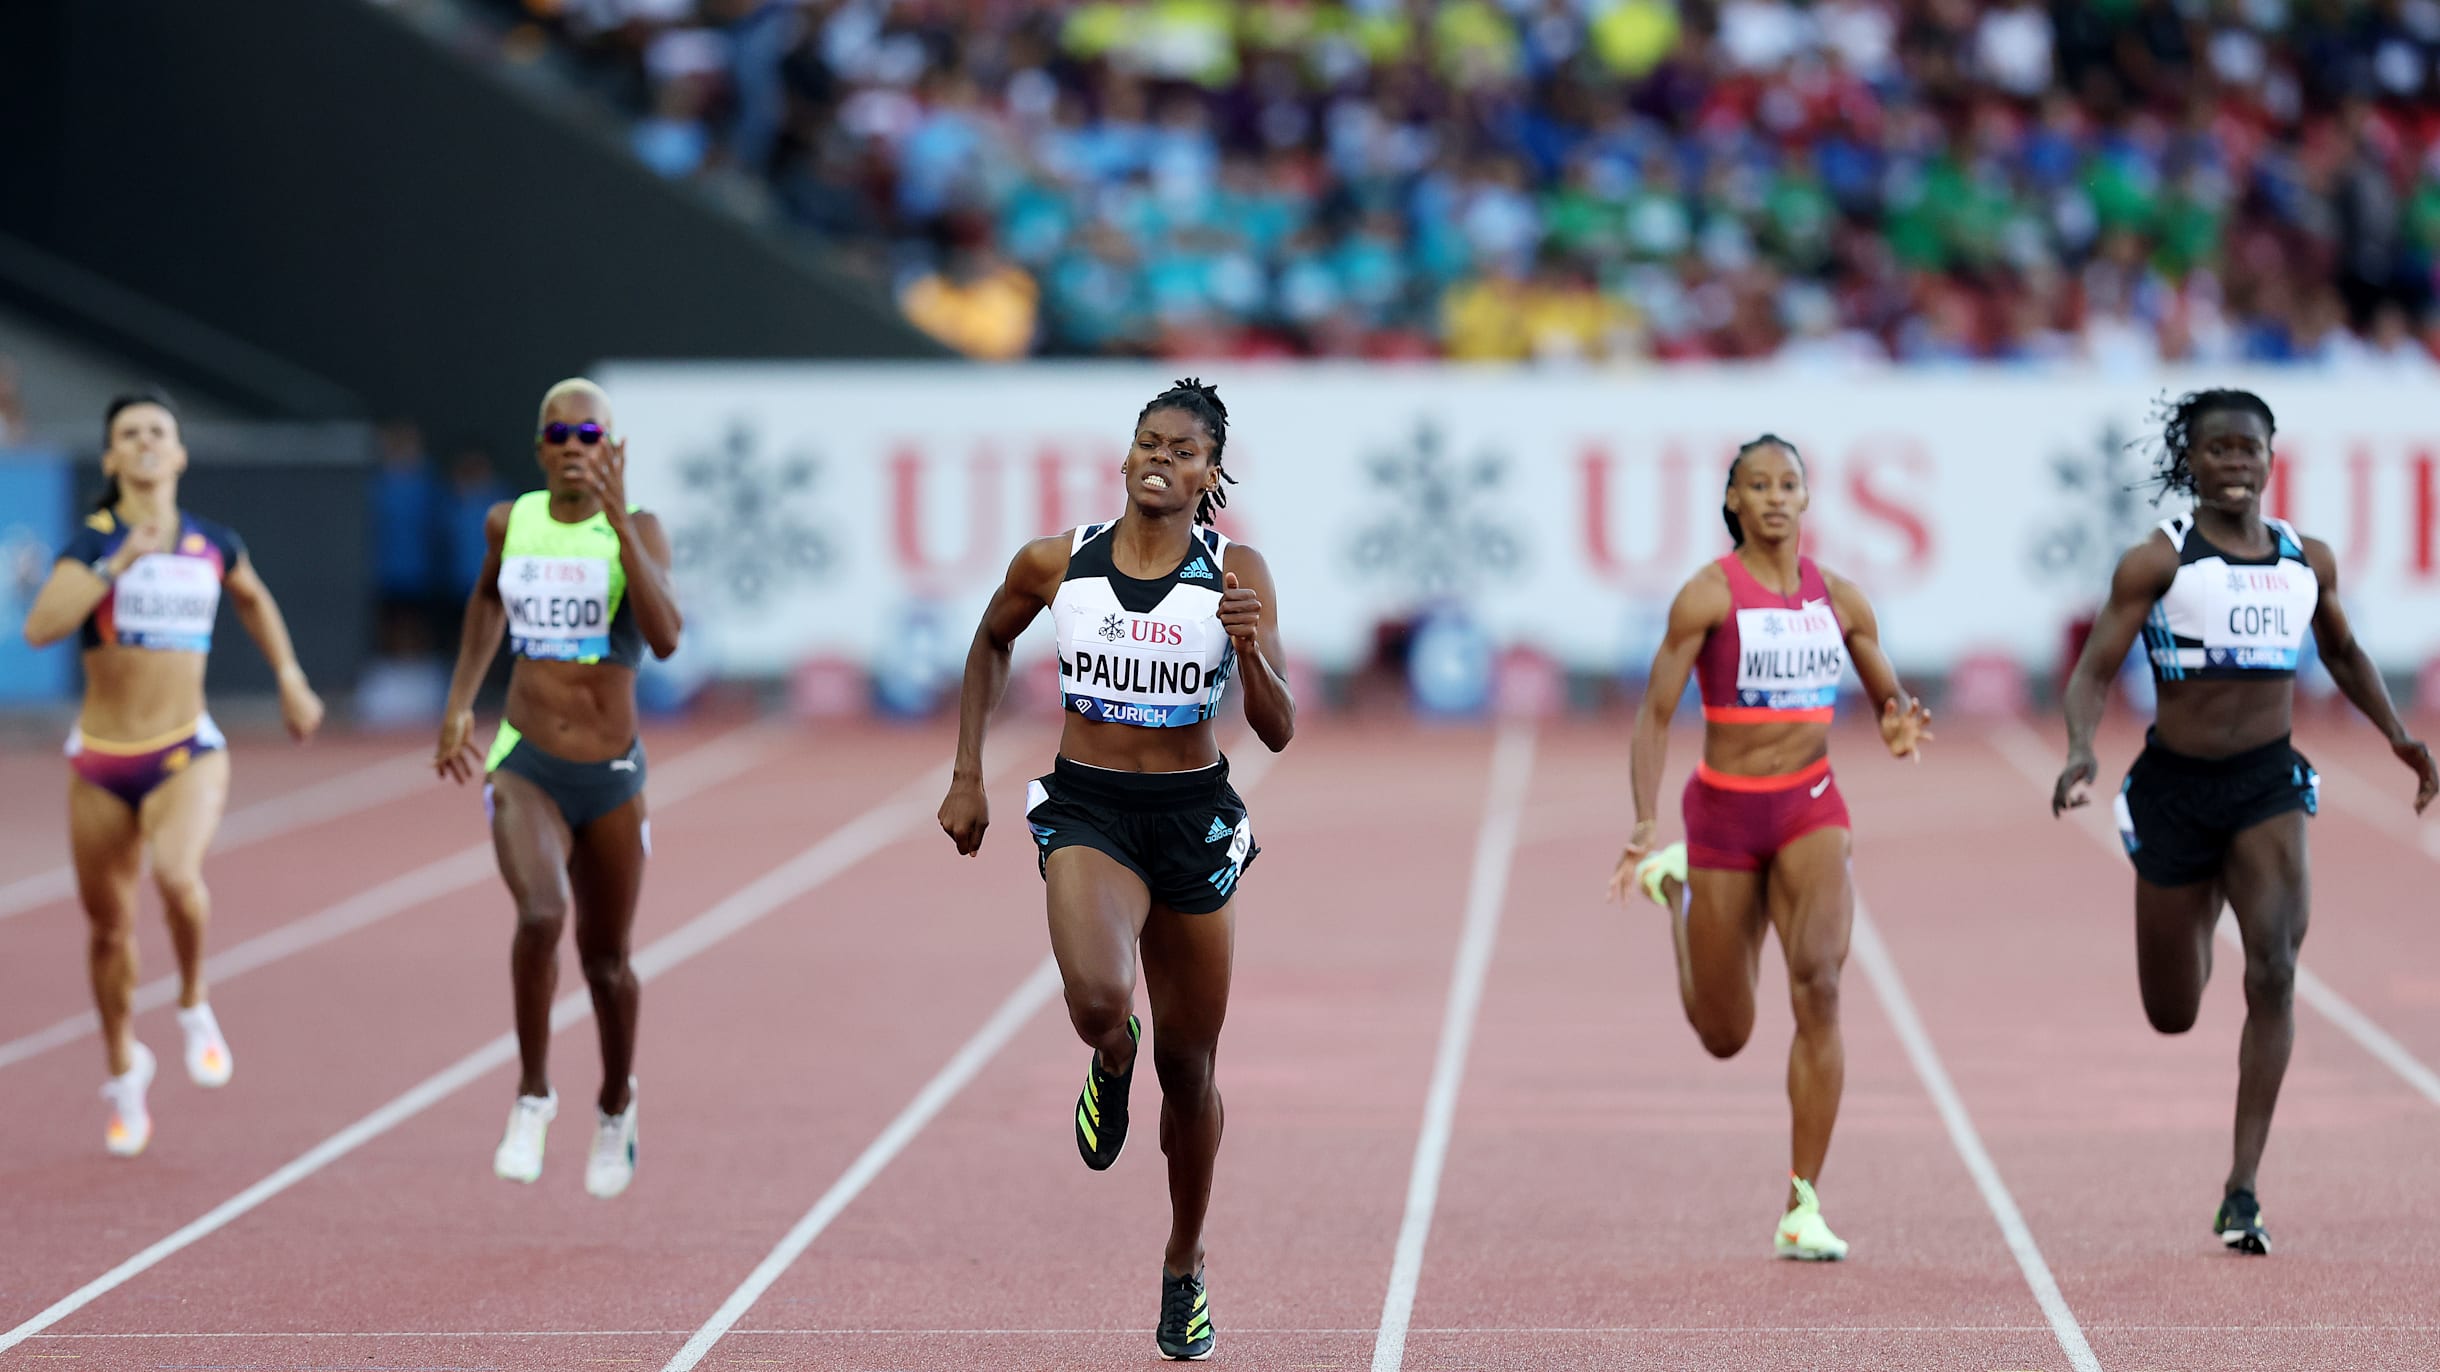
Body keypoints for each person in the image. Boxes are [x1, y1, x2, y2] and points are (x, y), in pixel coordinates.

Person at [937, 378, 1292, 1361]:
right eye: (1147, 440)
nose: (1159, 458)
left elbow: (1279, 728)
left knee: (1194, 1068)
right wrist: (967, 771)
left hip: (1190, 819)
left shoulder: (1233, 571)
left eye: (1182, 449)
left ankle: (1183, 1266)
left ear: (1209, 474)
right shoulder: (1060, 562)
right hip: (1089, 809)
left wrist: (1253, 652)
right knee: (1100, 998)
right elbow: (989, 640)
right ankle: (1107, 1056)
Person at [2050, 388, 2436, 1255]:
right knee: (2174, 1011)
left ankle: (2243, 1188)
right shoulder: (2158, 562)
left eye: (2247, 449)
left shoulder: (2307, 560)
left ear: (2270, 459)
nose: (2234, 463)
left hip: (2267, 786)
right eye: (2216, 449)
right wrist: (2081, 747)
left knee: (2275, 971)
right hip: (2175, 793)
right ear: (2190, 463)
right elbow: (2091, 672)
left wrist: (2400, 735)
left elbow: (2339, 652)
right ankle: (2202, 897)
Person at [1607, 435, 1932, 1261]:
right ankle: (1677, 893)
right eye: (1759, 485)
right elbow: (1652, 714)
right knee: (1725, 1032)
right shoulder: (1707, 597)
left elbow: (1888, 690)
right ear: (1735, 504)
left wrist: (1898, 721)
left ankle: (1802, 1203)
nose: (1777, 497)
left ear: (1807, 499)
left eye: (1790, 483)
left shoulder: (1842, 599)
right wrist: (1646, 825)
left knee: (1819, 984)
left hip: (1810, 808)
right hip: (1722, 816)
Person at [20, 390, 324, 1156]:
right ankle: (125, 1070)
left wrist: (289, 676)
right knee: (108, 931)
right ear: (113, 458)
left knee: (178, 877)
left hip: (185, 750)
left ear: (180, 453)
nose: (147, 441)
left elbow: (254, 599)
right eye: (130, 433)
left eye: (159, 430)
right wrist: (115, 562)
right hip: (98, 761)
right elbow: (40, 628)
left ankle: (192, 1000)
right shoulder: (90, 541)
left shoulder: (213, 543)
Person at [434, 379, 682, 1199]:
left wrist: (618, 524)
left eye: (590, 432)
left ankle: (616, 1104)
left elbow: (667, 638)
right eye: (559, 433)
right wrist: (462, 701)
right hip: (526, 760)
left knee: (607, 963)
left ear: (611, 449)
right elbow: (482, 603)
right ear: (541, 448)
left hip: (610, 775)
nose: (574, 444)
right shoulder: (511, 521)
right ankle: (534, 1094)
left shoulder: (640, 530)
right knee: (541, 914)